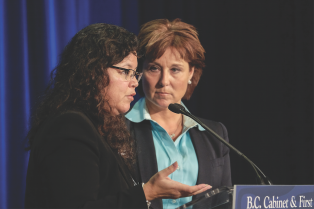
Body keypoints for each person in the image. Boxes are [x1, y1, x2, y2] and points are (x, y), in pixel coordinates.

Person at [24, 23, 212, 208]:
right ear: (92, 71)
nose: (134, 83)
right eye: (125, 71)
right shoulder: (70, 127)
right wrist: (147, 193)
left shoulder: (100, 126)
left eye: (134, 74)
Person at [125, 18, 232, 209]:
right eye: (154, 68)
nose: (164, 81)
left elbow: (224, 202)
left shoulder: (215, 134)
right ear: (140, 71)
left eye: (175, 69)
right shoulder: (116, 129)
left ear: (191, 73)